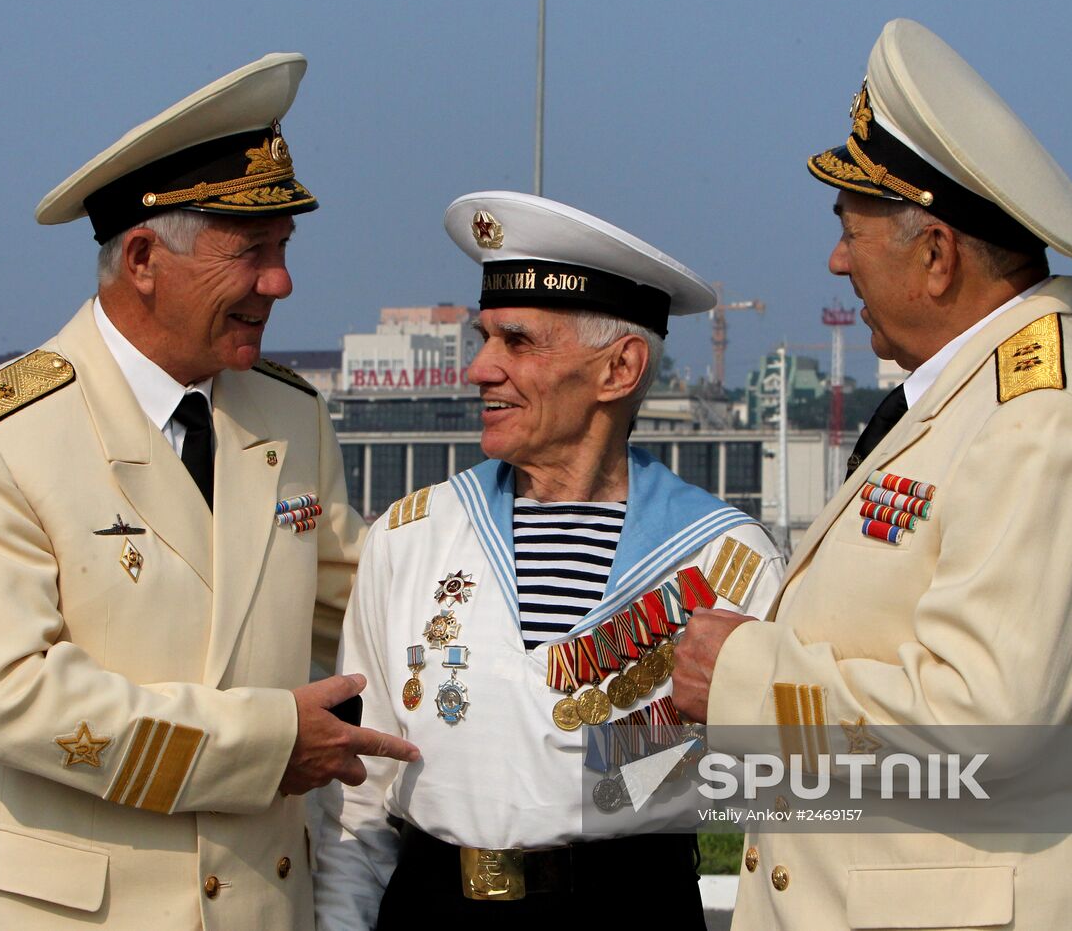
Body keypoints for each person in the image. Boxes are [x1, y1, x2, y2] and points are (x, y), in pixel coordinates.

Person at [671, 19, 1072, 930]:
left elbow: (985, 720)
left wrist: (741, 677)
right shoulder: (973, 398)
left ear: (936, 256)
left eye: (849, 231)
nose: (835, 260)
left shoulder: (1043, 415)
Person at [0, 53, 418, 930]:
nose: (281, 283)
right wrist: (267, 745)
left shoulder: (291, 417)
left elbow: (379, 599)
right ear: (143, 257)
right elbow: (9, 696)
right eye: (252, 252)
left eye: (285, 250)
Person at [312, 191, 785, 929]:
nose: (479, 370)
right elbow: (361, 800)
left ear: (619, 369)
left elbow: (777, 808)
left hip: (630, 909)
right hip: (433, 908)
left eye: (518, 343)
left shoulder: (727, 559)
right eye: (483, 339)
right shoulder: (411, 539)